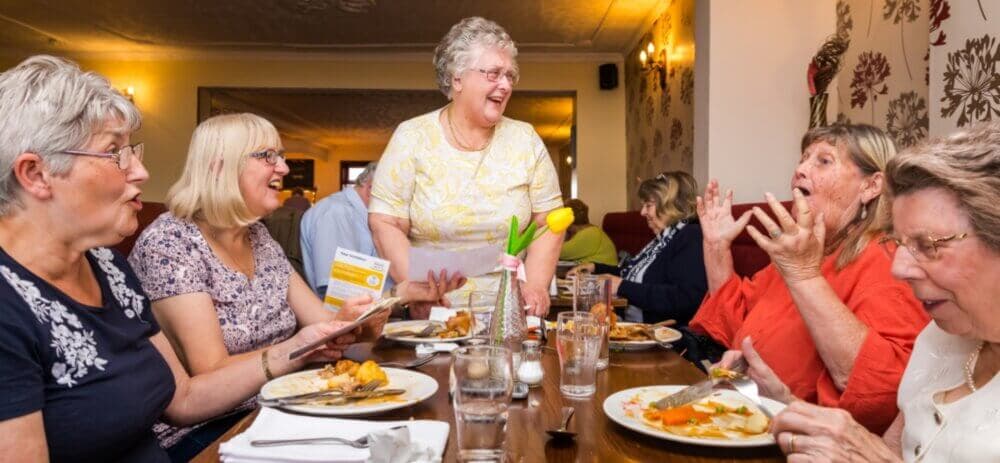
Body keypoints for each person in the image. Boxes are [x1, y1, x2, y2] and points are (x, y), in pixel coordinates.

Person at [0, 55, 359, 462]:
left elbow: (183, 399)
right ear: (35, 174)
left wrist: (297, 349)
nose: (140, 171)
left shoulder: (107, 267)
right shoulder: (9, 305)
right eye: (114, 152)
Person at [128, 113, 456, 460]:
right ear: (219, 166)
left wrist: (400, 294)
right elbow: (211, 372)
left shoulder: (258, 237)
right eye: (267, 156)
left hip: (281, 407)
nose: (283, 168)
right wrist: (297, 349)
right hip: (207, 433)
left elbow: (325, 324)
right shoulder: (171, 243)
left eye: (280, 156)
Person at [731, 122, 1000, 462]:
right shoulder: (938, 341)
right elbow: (891, 449)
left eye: (929, 245)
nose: (899, 267)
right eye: (902, 243)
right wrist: (782, 400)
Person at [690, 123, 929, 434]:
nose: (800, 169)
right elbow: (737, 323)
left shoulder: (884, 260)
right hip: (744, 420)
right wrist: (716, 247)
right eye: (803, 158)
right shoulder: (799, 252)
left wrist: (803, 275)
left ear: (871, 186)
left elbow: (882, 391)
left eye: (823, 160)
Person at [369, 17, 563, 318]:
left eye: (510, 75)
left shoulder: (525, 139)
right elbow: (386, 223)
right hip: (436, 313)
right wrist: (417, 290)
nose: (506, 84)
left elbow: (548, 221)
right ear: (457, 78)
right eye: (494, 73)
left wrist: (536, 286)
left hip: (510, 312)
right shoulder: (412, 137)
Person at [568, 172, 706, 325]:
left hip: (663, 337)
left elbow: (685, 299)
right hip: (632, 326)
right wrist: (594, 268)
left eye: (648, 205)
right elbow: (630, 274)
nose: (642, 212)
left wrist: (621, 286)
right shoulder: (663, 239)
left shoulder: (691, 237)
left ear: (670, 205)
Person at [301, 161, 382, 296]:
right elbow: (341, 293)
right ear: (372, 189)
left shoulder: (358, 214)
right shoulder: (336, 213)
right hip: (346, 314)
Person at [559, 198, 617, 266]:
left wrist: (561, 232)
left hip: (601, 273)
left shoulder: (589, 234)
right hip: (595, 272)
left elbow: (558, 253)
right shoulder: (591, 231)